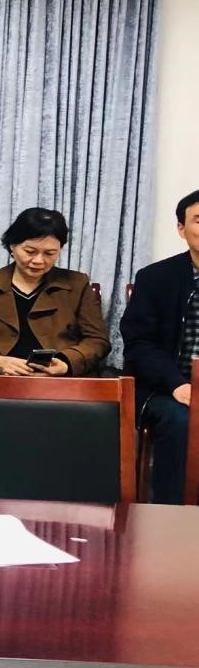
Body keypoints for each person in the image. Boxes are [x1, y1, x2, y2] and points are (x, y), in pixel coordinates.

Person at [0, 208, 109, 376]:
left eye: (50, 253)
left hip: (60, 381)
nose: (39, 260)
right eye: (30, 251)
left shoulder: (77, 284)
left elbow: (97, 341)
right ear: (12, 246)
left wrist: (66, 363)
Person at [121, 189, 199, 504]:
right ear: (181, 228)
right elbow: (138, 343)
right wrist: (177, 384)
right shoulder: (156, 278)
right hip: (168, 387)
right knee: (181, 420)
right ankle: (174, 514)